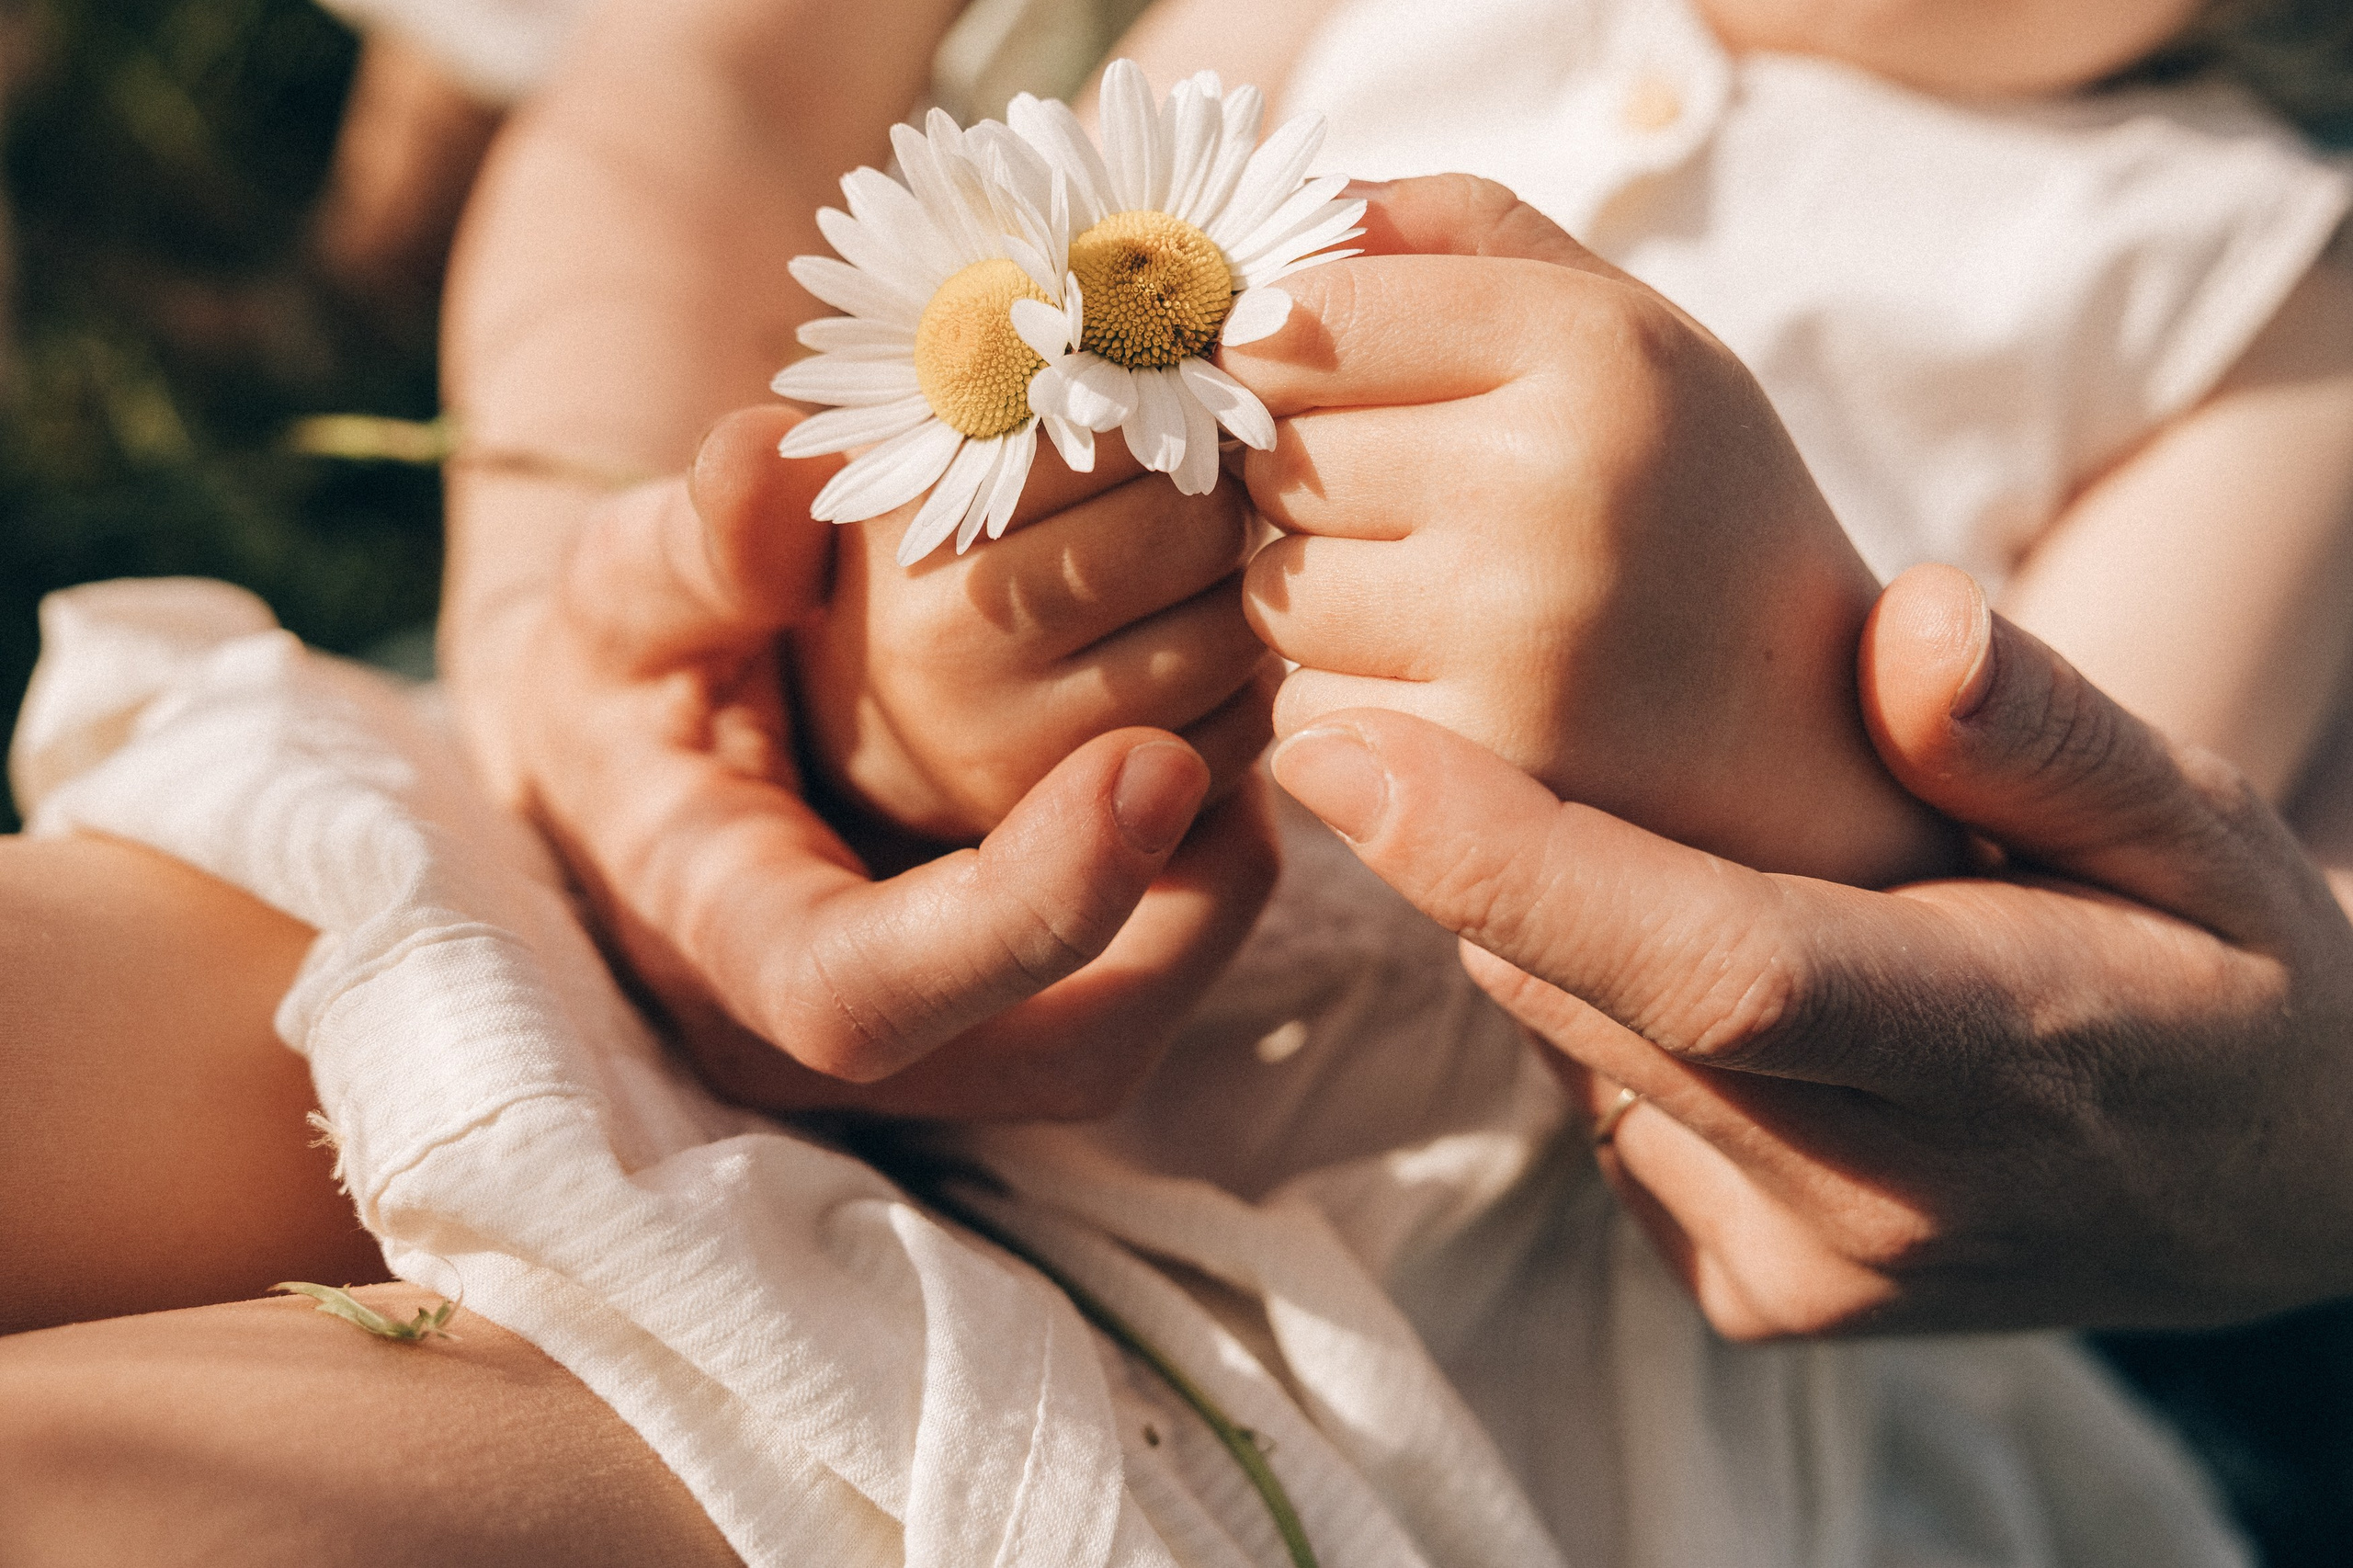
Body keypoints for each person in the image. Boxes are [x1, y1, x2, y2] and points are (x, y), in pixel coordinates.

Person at [3, 4, 2352, 1566]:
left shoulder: (2251, 293)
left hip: (1350, 1290)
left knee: (152, 1501)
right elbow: (752, 111)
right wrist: (903, 670)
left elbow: (2015, 981)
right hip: (652, 891)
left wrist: (1738, 702)